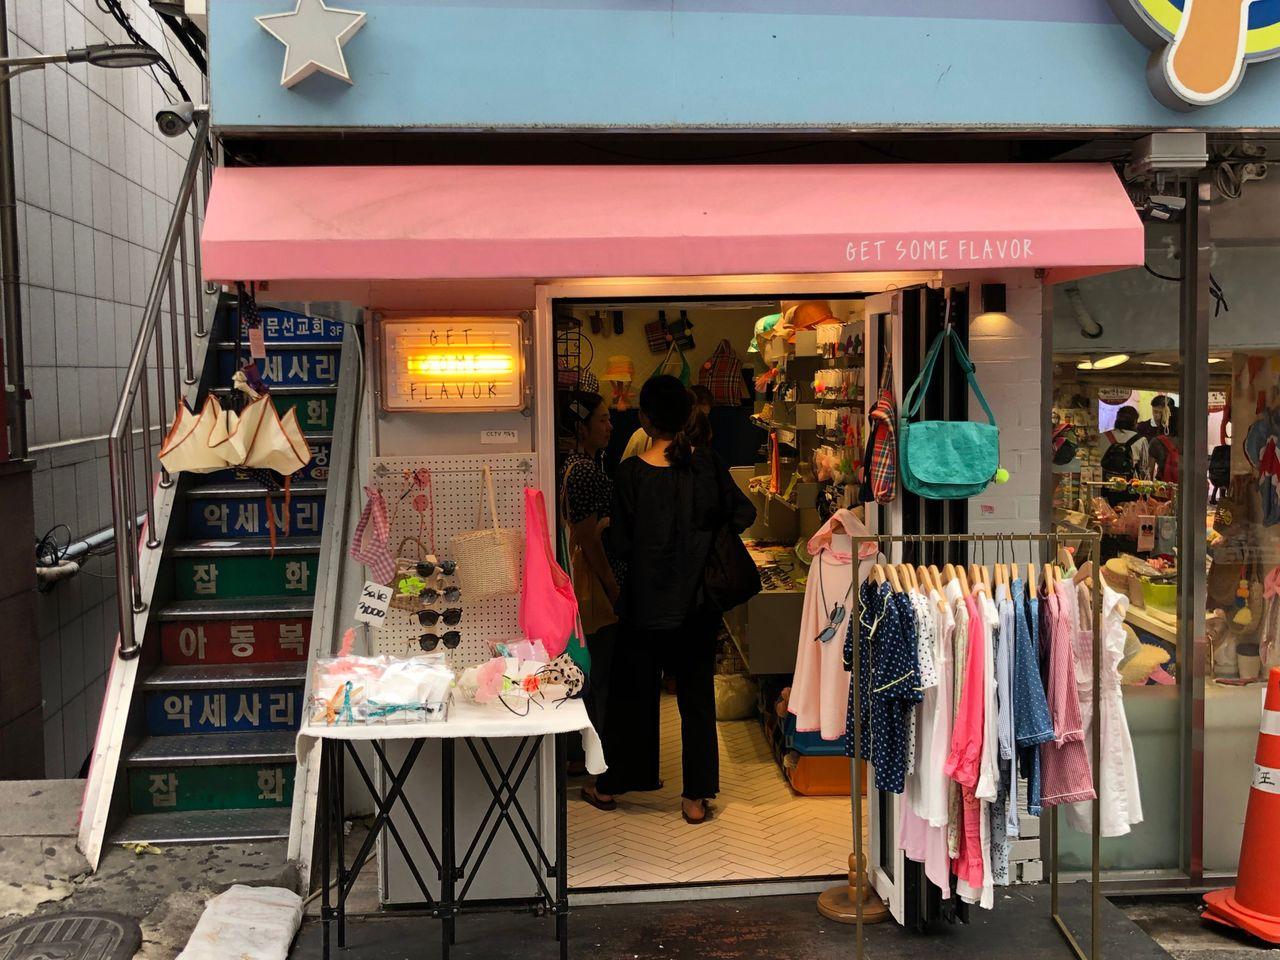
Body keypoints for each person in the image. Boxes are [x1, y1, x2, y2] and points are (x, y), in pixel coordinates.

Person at [589, 376, 755, 824]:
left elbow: (622, 545)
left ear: (644, 419)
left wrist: (610, 530)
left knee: (633, 696)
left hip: (645, 603)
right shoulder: (706, 464)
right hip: (697, 603)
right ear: (685, 416)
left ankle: (615, 784)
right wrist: (705, 536)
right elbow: (743, 512)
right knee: (696, 699)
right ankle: (695, 799)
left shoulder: (630, 474)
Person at [558, 392, 622, 775]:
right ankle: (591, 759)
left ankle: (583, 755)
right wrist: (612, 584)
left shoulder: (582, 465)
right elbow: (586, 538)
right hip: (593, 583)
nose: (609, 426)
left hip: (591, 579)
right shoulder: (582, 471)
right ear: (581, 428)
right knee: (596, 675)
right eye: (602, 419)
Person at [620, 383, 713, 461]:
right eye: (693, 414)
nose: (697, 420)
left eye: (704, 417)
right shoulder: (642, 436)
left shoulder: (700, 440)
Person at [1097, 405, 1150, 504]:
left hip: (1106, 487)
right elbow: (1144, 469)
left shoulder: (1103, 436)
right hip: (1131, 489)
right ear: (1135, 422)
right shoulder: (1141, 440)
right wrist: (1146, 494)